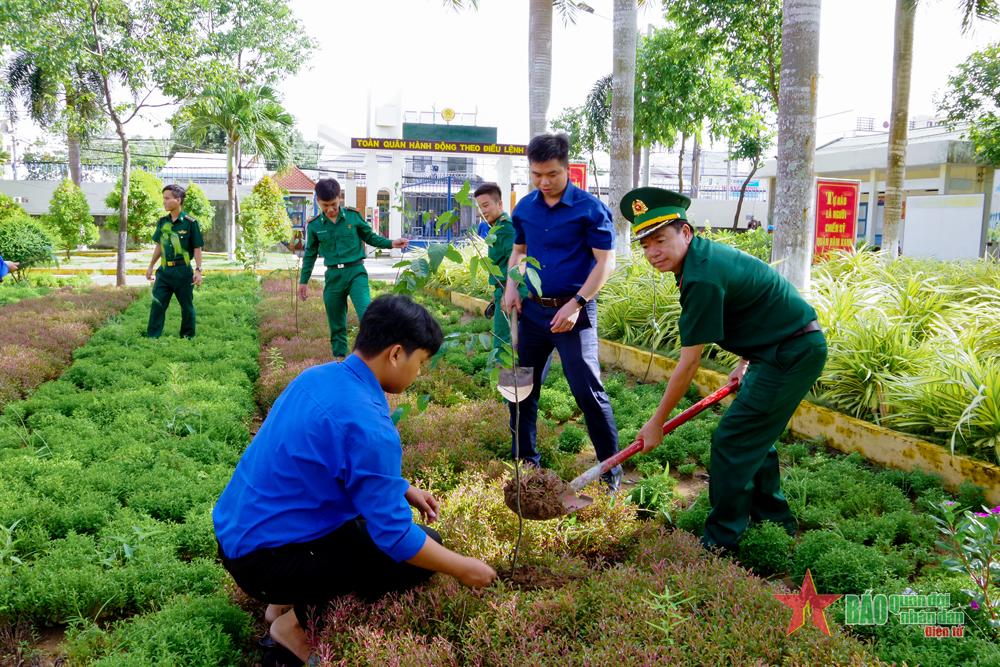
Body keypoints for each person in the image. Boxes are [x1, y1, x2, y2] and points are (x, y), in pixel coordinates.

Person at [213, 295, 497, 667]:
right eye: (421, 362)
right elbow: (394, 536)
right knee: (419, 552)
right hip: (264, 562)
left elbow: (327, 461)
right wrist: (463, 567)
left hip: (238, 536)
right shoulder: (368, 425)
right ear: (396, 354)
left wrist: (402, 487)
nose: (419, 374)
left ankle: (278, 606)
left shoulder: (320, 376)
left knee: (362, 527)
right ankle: (292, 629)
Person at [623, 187, 827, 552]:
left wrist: (656, 423)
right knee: (754, 438)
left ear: (685, 232)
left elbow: (689, 363)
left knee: (733, 441)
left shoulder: (700, 276)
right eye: (645, 245)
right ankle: (774, 521)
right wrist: (743, 361)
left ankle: (720, 542)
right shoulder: (700, 259)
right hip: (776, 349)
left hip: (790, 354)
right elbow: (751, 304)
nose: (653, 252)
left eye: (660, 240)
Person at [503, 133, 622, 491]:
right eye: (536, 175)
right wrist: (512, 285)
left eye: (552, 174)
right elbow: (519, 252)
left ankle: (610, 475)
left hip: (576, 314)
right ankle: (526, 465)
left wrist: (577, 303)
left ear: (566, 168)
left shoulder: (590, 208)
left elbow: (606, 263)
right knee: (518, 386)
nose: (544, 182)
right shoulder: (524, 207)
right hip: (534, 314)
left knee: (589, 393)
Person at [298, 178, 409, 358]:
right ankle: (340, 360)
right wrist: (303, 282)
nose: (331, 209)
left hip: (356, 272)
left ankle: (374, 356)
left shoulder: (352, 216)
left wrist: (392, 243)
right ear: (317, 200)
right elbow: (310, 255)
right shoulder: (315, 225)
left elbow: (370, 237)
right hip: (333, 276)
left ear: (339, 197)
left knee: (367, 314)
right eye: (325, 205)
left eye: (334, 203)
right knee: (336, 323)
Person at [145, 184, 204, 338]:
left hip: (183, 271)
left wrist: (198, 270)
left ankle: (187, 337)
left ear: (178, 200)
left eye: (167, 198)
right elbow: (159, 245)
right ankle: (152, 336)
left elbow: (197, 247)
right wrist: (151, 266)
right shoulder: (162, 222)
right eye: (163, 198)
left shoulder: (191, 222)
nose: (164, 202)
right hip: (164, 271)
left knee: (186, 306)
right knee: (157, 303)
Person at [474, 182, 523, 348]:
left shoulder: (506, 229)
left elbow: (518, 263)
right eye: (479, 207)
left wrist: (508, 292)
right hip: (503, 291)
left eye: (486, 205)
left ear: (500, 203)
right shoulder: (497, 227)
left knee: (504, 344)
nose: (482, 211)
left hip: (509, 292)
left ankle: (508, 375)